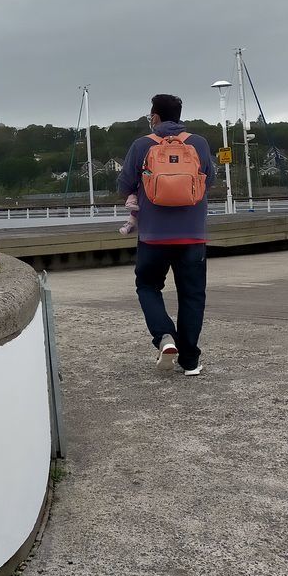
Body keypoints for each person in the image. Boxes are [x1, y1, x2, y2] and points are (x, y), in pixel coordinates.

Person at [117, 93, 215, 376]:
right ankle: (190, 360)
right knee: (192, 295)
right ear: (180, 115)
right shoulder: (198, 143)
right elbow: (211, 179)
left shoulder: (141, 145)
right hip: (193, 235)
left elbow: (124, 184)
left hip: (153, 236)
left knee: (147, 286)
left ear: (155, 117)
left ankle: (164, 337)